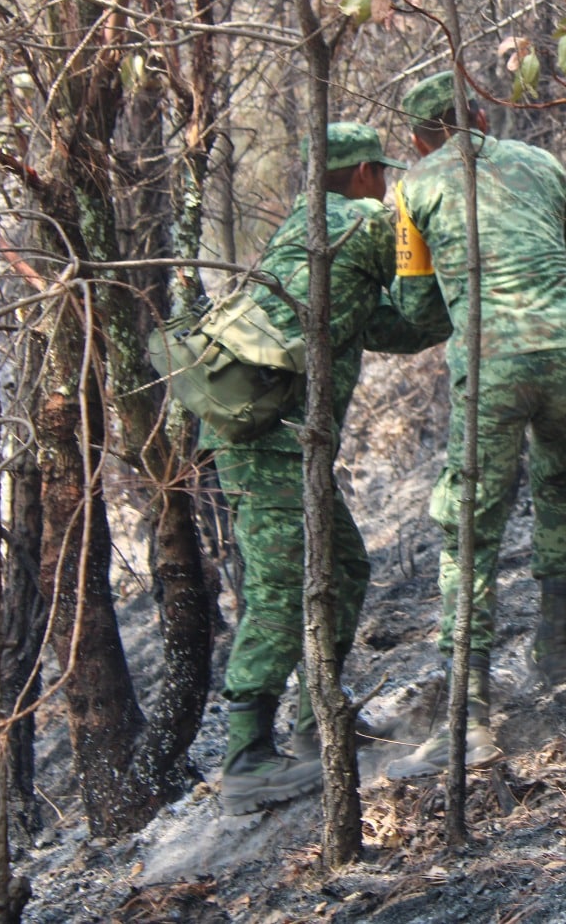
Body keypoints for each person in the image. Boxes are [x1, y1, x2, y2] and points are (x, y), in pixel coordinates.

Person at [210, 122, 450, 815]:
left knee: (342, 570)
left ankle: (322, 722)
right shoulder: (358, 224)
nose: (387, 185)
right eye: (383, 174)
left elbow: (389, 326)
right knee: (286, 587)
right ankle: (246, 757)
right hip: (271, 443)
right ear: (363, 174)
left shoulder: (305, 235)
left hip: (276, 440)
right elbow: (417, 302)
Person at [384, 72, 566, 778]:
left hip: (493, 366)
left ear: (418, 139)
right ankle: (558, 650)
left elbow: (419, 312)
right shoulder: (540, 164)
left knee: (469, 529)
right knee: (563, 488)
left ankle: (471, 719)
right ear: (480, 115)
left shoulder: (413, 190)